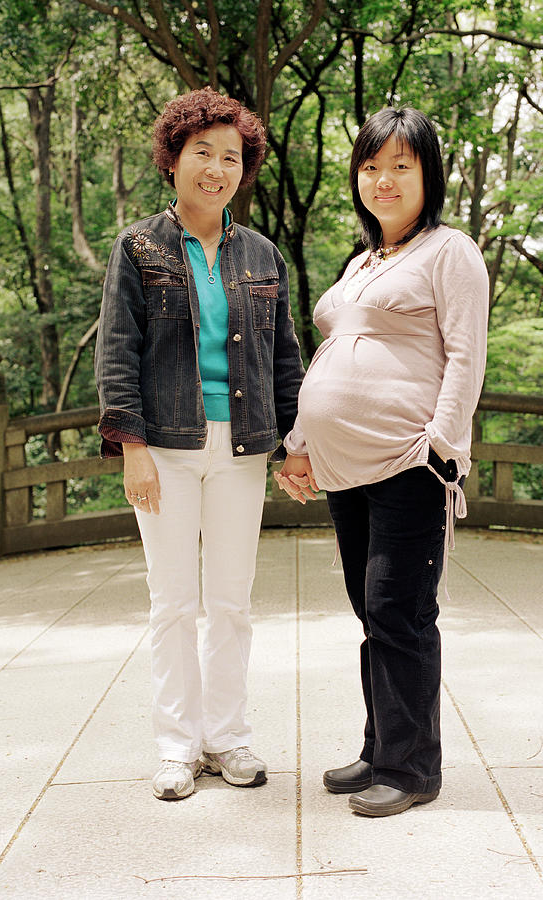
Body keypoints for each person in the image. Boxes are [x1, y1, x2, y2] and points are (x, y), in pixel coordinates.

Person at [275, 106, 489, 817]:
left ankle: (412, 768)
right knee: (371, 611)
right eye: (371, 166)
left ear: (427, 173)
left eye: (401, 165)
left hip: (407, 461)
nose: (384, 180)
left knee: (399, 611)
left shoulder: (448, 250)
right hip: (344, 467)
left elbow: (465, 355)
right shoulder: (363, 260)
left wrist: (440, 443)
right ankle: (379, 748)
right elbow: (333, 358)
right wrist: (301, 444)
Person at [94, 87, 305, 801]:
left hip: (242, 448)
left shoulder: (262, 253)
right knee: (173, 601)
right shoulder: (138, 246)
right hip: (167, 448)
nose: (215, 169)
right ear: (173, 159)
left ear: (243, 170)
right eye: (201, 154)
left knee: (232, 601)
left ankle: (229, 738)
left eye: (231, 157)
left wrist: (295, 441)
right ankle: (177, 747)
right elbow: (118, 351)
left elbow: (284, 356)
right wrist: (131, 446)